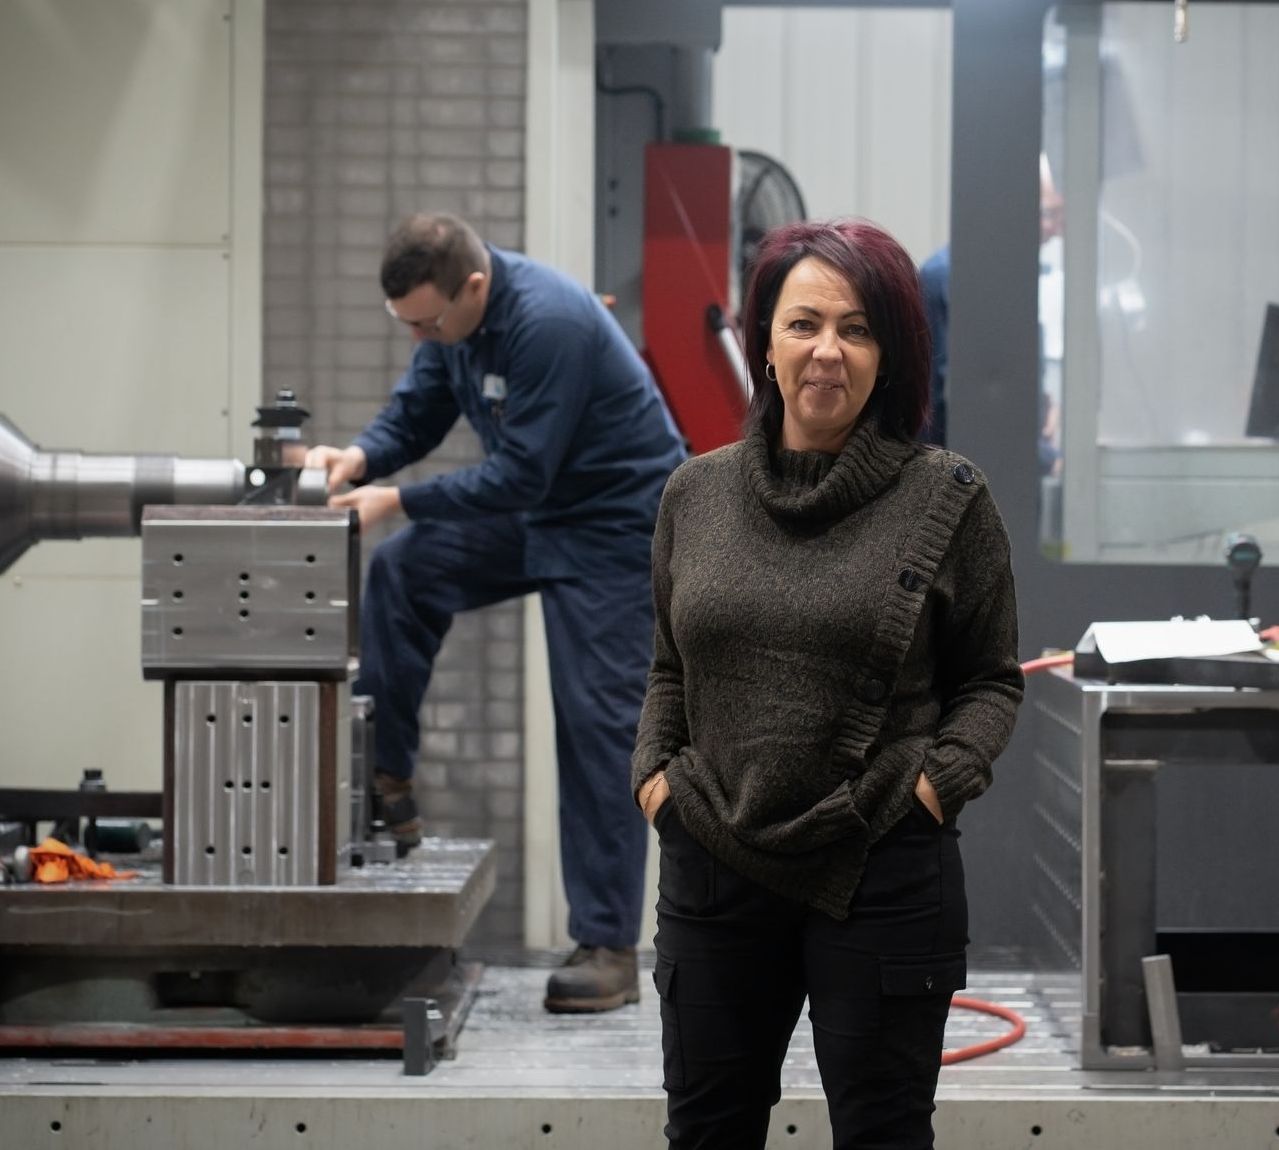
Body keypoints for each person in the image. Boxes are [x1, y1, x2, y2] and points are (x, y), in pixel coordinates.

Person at [632, 218, 1024, 1149]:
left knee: (883, 1137)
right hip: (714, 861)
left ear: (888, 355)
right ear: (764, 342)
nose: (827, 352)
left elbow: (992, 681)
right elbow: (667, 668)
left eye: (856, 329)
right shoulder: (696, 494)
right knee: (707, 1134)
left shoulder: (948, 498)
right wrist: (657, 781)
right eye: (804, 323)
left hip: (881, 863)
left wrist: (934, 787)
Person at [305, 213, 686, 1014]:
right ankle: (389, 779)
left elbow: (519, 477)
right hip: (544, 508)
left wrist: (398, 497)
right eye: (406, 323)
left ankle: (609, 946)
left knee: (595, 721)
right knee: (405, 571)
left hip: (616, 522)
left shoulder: (547, 323)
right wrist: (361, 457)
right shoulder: (452, 326)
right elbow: (416, 410)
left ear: (473, 287)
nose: (420, 338)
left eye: (428, 322)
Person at [919, 154, 1065, 471]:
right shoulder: (948, 278)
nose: (1055, 229)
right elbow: (973, 399)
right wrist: (1044, 457)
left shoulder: (1012, 276)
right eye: (1048, 213)